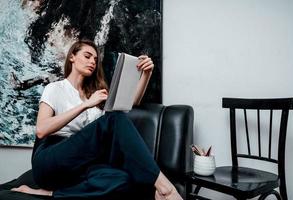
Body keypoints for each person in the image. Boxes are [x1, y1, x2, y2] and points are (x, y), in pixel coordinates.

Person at [11, 39, 183, 200]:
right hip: (50, 159)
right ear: (72, 57)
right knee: (114, 118)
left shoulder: (96, 93)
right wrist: (85, 105)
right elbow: (41, 129)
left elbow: (132, 102)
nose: (92, 61)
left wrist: (146, 74)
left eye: (95, 58)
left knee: (124, 179)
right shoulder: (55, 88)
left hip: (79, 164)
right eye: (87, 56)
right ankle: (165, 188)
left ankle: (51, 194)